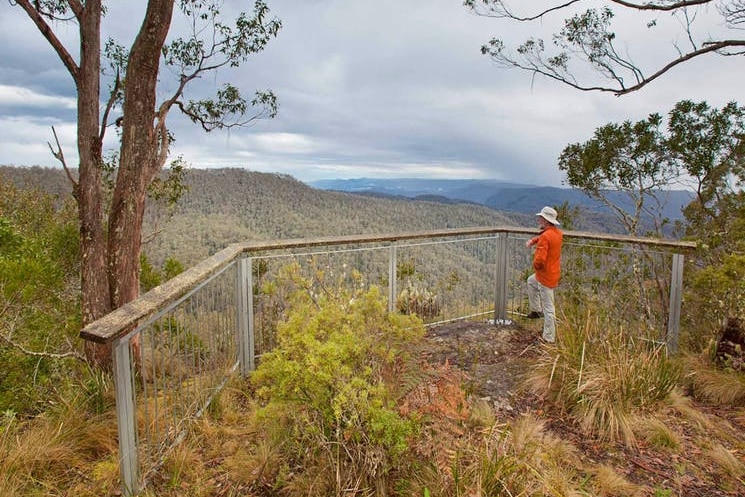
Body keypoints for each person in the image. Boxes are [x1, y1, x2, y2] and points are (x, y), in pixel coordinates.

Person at [525, 206, 563, 343]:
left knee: (549, 308)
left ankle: (548, 338)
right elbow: (544, 237)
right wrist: (533, 241)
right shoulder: (556, 233)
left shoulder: (546, 236)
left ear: (546, 220)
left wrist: (536, 266)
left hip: (545, 276)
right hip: (551, 273)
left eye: (541, 218)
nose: (539, 219)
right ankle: (536, 310)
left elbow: (540, 259)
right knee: (530, 281)